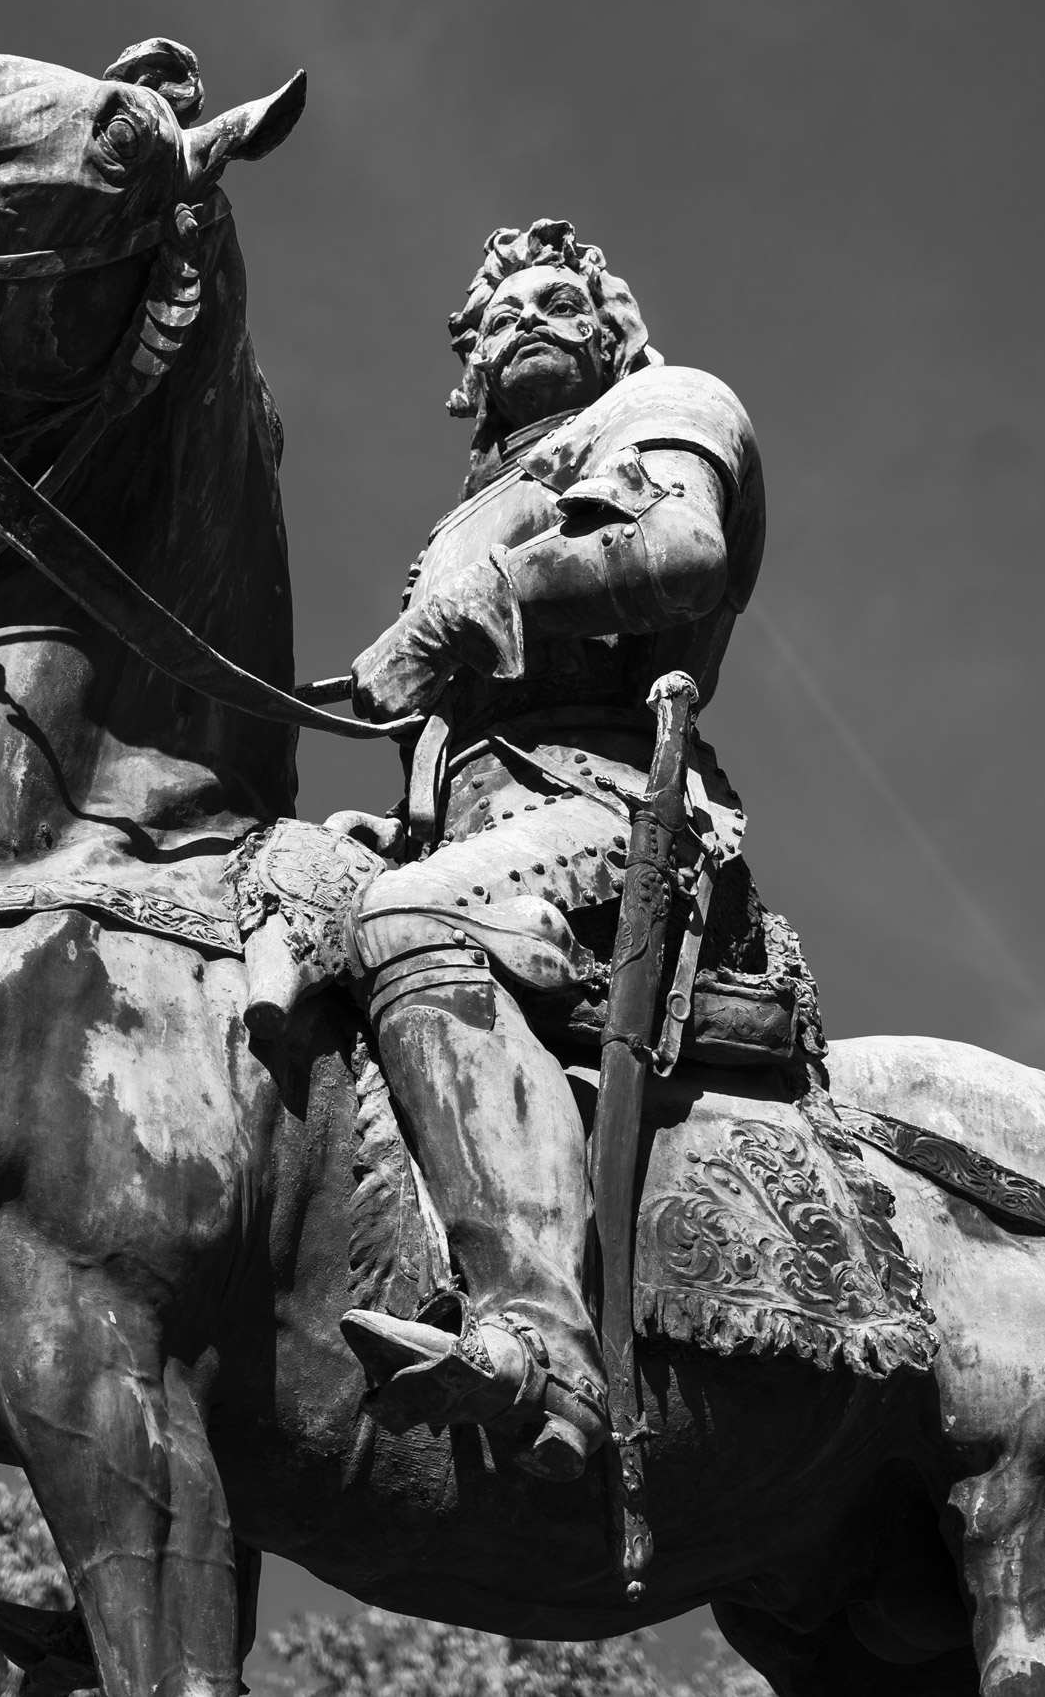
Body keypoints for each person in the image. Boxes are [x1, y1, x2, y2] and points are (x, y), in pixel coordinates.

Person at [337, 219, 764, 1483]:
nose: (526, 320)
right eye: (499, 315)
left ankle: (541, 1342)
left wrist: (472, 608)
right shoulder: (463, 513)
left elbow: (684, 553)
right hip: (472, 819)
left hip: (613, 806)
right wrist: (396, 816)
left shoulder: (664, 408)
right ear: (469, 369)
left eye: (557, 303)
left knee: (412, 923)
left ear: (610, 333)